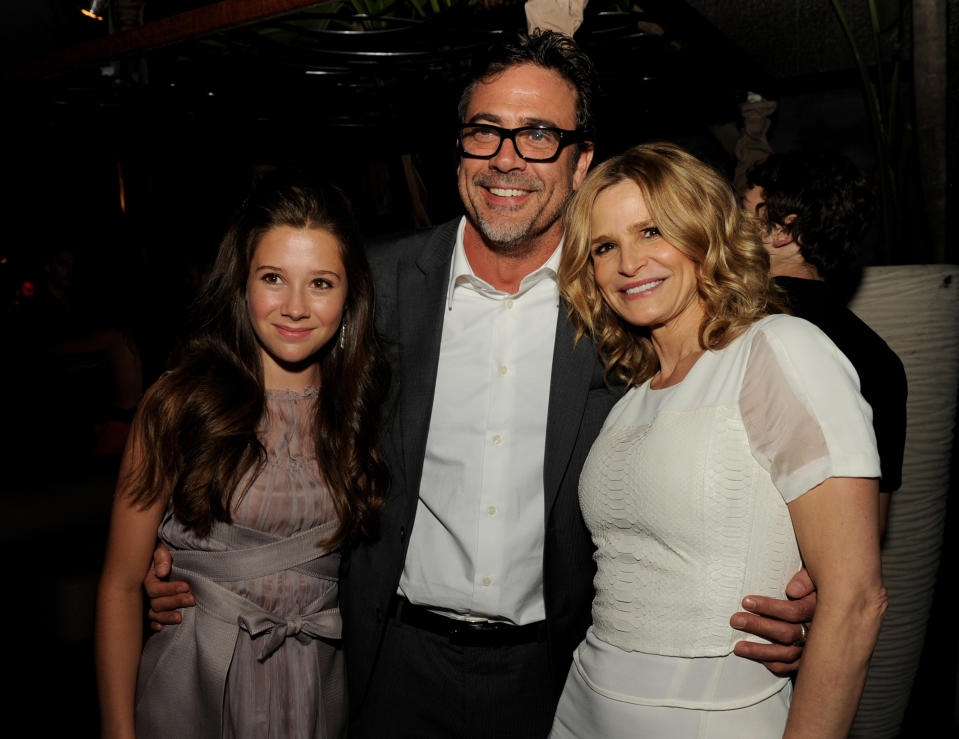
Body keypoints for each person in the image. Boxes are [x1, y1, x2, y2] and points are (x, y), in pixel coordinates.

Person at [144, 32, 815, 738]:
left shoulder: (626, 302)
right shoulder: (378, 285)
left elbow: (727, 442)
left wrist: (797, 581)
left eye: (538, 135)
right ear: (458, 147)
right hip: (390, 662)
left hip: (559, 673)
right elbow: (264, 386)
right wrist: (190, 551)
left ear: (581, 160)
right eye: (485, 131)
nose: (507, 157)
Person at [551, 142, 886, 737]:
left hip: (712, 716)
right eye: (605, 246)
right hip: (584, 705)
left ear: (705, 233)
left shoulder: (779, 348)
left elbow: (855, 599)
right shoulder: (630, 398)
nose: (629, 262)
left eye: (652, 231)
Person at [95, 172, 390, 739]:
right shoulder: (180, 403)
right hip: (197, 680)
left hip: (318, 687)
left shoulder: (364, 410)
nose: (296, 307)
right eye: (274, 277)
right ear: (241, 283)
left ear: (350, 295)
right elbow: (117, 584)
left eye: (322, 283)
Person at [744, 151, 907, 525]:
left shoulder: (736, 325)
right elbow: (872, 521)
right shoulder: (880, 359)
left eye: (744, 208)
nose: (729, 222)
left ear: (783, 231)